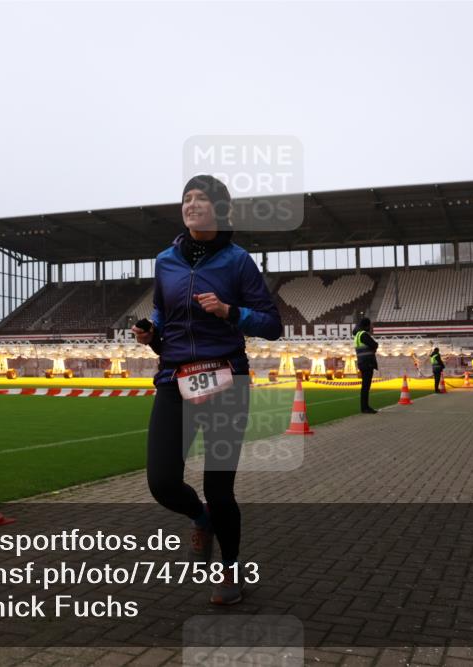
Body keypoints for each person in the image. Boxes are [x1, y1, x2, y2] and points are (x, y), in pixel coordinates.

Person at [132, 174, 281, 605]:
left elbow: (272, 324)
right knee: (161, 482)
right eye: (186, 198)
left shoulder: (237, 261)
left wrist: (230, 311)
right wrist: (150, 330)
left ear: (220, 210)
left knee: (220, 488)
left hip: (225, 379)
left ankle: (230, 573)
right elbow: (162, 310)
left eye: (201, 199)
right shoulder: (165, 261)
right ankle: (201, 519)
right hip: (174, 379)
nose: (192, 205)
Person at [353, 317, 379, 413]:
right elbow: (374, 344)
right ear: (366, 326)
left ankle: (364, 407)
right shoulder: (363, 335)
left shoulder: (357, 335)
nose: (371, 327)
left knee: (365, 386)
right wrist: (374, 348)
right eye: (370, 325)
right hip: (367, 362)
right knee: (366, 386)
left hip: (362, 362)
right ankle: (365, 407)